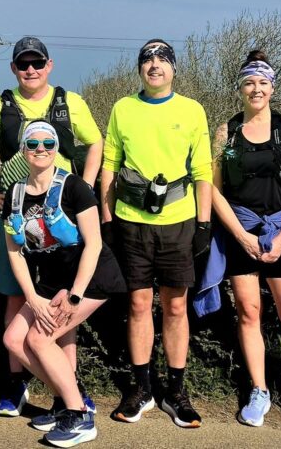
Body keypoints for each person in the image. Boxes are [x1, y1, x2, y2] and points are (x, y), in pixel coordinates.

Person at [0, 36, 104, 417]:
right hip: (17, 212)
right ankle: (17, 385)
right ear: (13, 68)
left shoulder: (70, 102)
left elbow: (95, 143)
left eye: (37, 63)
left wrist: (87, 189)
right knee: (16, 295)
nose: (31, 70)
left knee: (63, 301)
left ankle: (67, 391)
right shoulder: (0, 104)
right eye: (23, 64)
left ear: (49, 65)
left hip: (62, 217)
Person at [193, 50, 281, 435]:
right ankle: (259, 390)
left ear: (272, 87)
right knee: (249, 314)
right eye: (249, 83)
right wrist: (240, 235)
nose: (256, 89)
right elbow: (214, 189)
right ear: (240, 88)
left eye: (263, 82)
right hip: (242, 231)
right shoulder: (225, 132)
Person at [99, 39, 213, 428]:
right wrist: (107, 218)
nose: (154, 64)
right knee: (137, 306)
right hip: (131, 222)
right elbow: (109, 167)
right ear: (139, 69)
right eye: (147, 59)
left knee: (176, 306)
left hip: (179, 223)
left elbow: (202, 173)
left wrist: (204, 224)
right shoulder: (122, 109)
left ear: (174, 69)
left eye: (163, 59)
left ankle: (177, 391)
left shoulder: (192, 110)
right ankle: (142, 388)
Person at [1, 121, 126, 447]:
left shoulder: (74, 187)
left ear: (56, 148)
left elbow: (94, 245)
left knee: (40, 339)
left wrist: (73, 297)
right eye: (33, 143)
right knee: (14, 339)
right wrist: (33, 296)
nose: (40, 149)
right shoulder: (14, 195)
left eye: (48, 143)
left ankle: (78, 415)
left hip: (91, 278)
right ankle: (68, 395)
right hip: (50, 282)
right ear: (24, 150)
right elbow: (15, 253)